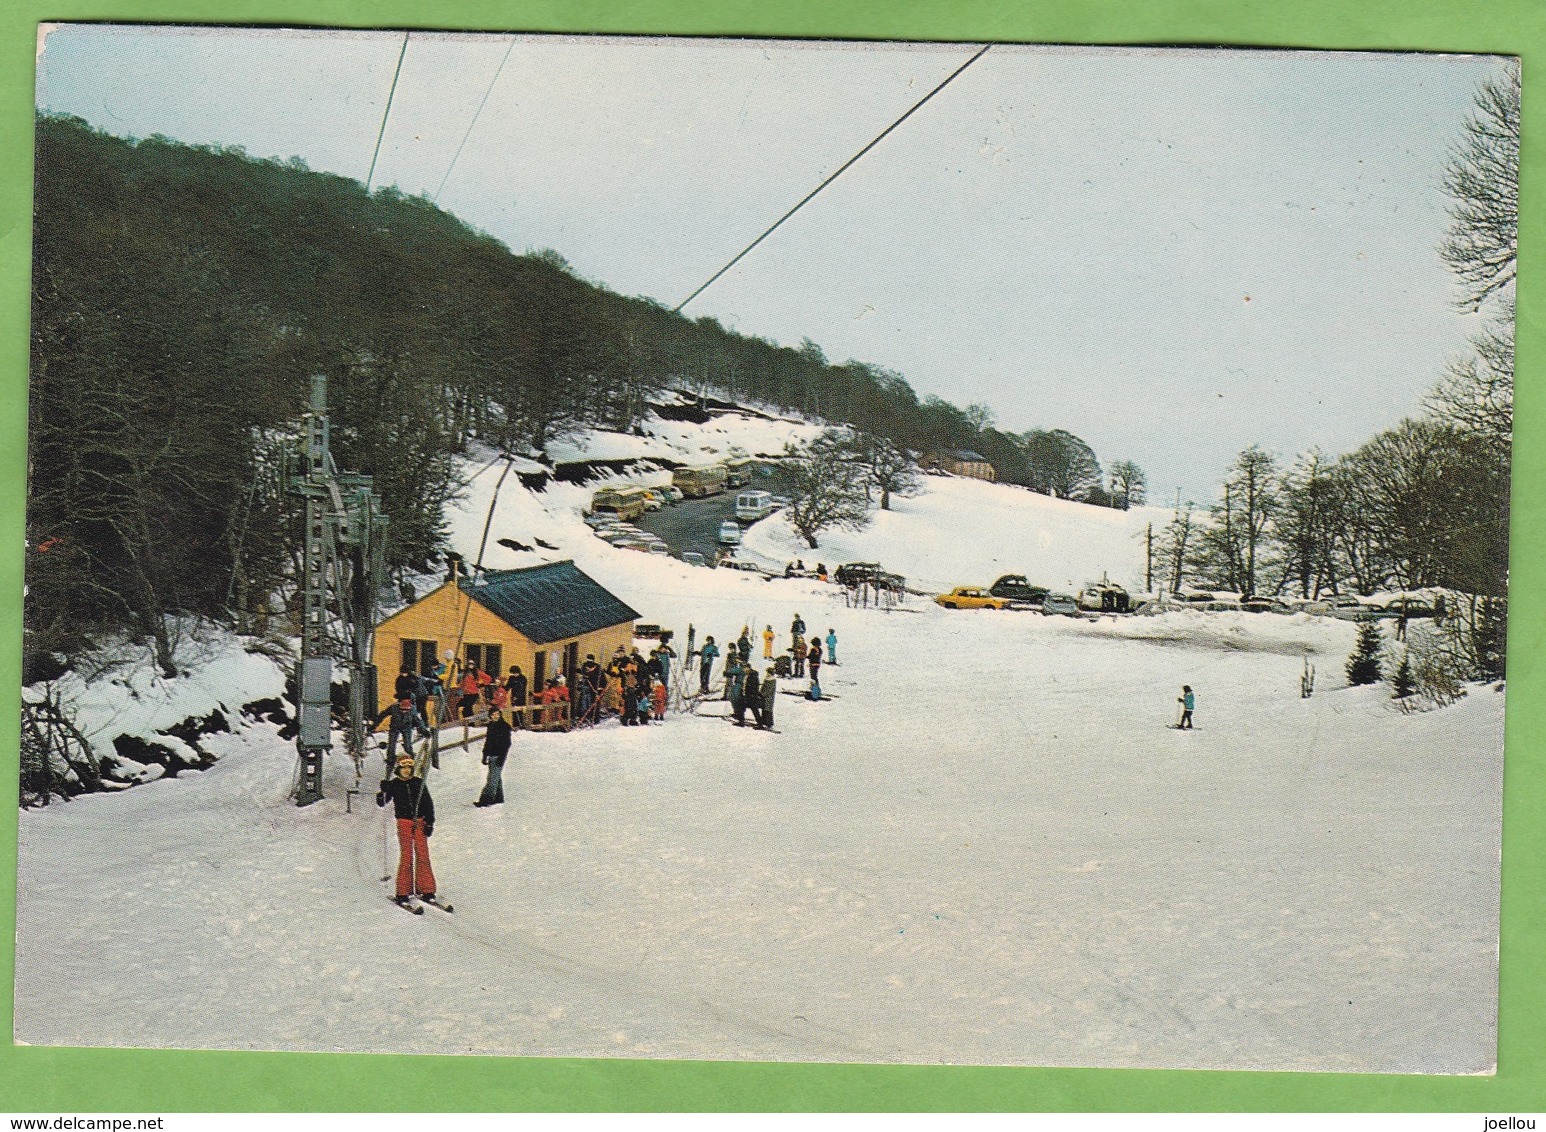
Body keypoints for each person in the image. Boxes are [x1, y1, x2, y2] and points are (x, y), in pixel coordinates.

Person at [377, 755, 436, 904]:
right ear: (398, 769)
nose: (406, 771)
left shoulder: (418, 783)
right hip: (404, 822)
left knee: (423, 854)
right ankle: (403, 891)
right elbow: (382, 803)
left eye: (409, 768)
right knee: (407, 855)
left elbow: (428, 803)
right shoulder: (394, 785)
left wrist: (429, 822)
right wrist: (382, 791)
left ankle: (426, 889)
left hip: (420, 821)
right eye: (403, 768)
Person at [476, 708, 512, 807]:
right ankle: (498, 797)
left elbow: (507, 744)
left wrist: (502, 756)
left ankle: (486, 799)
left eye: (497, 714)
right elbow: (488, 742)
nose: (495, 716)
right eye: (493, 714)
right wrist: (484, 755)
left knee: (492, 778)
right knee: (496, 776)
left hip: (499, 755)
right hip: (491, 754)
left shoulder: (504, 727)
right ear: (490, 716)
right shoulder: (491, 726)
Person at [374, 697, 427, 764]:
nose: (404, 711)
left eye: (406, 709)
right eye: (402, 709)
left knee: (407, 744)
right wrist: (374, 725)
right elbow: (383, 715)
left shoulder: (413, 709)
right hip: (395, 727)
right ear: (400, 704)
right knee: (391, 743)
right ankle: (390, 759)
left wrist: (424, 731)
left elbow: (419, 721)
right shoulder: (393, 708)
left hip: (406, 727)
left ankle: (410, 757)